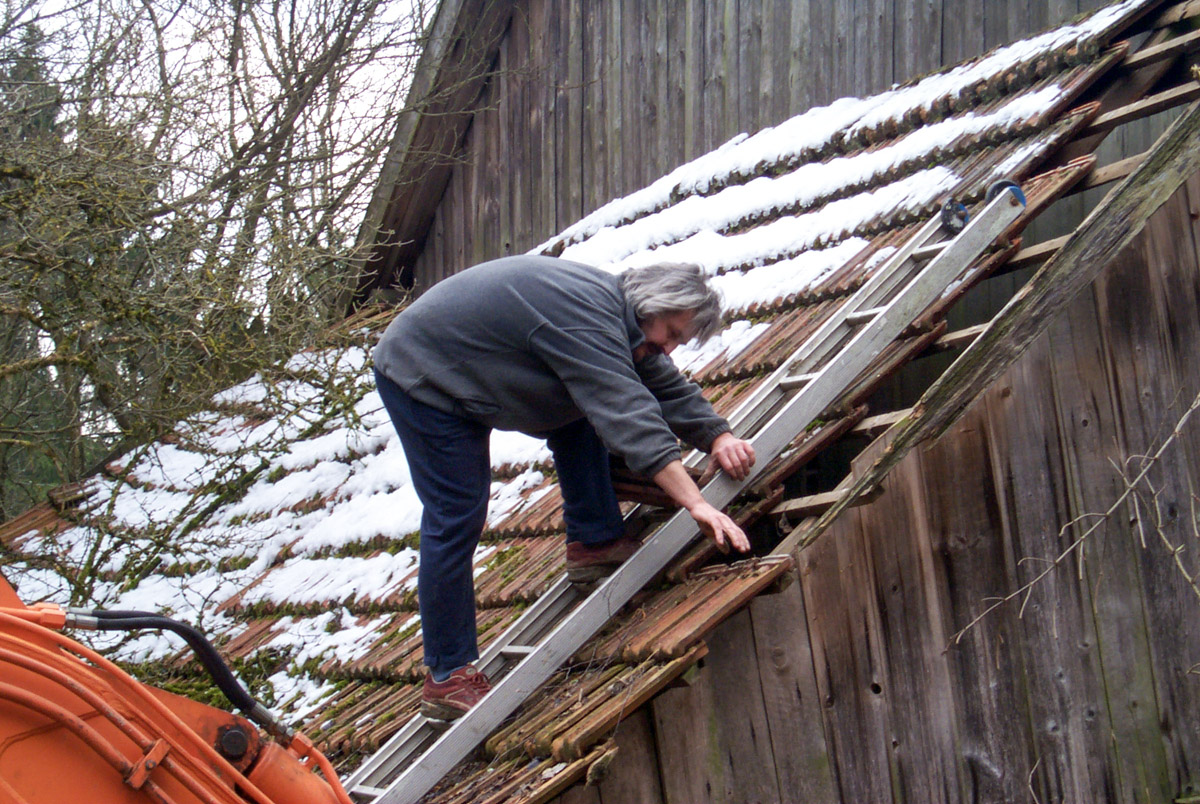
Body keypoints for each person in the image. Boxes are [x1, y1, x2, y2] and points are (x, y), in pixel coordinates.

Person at [372, 255, 756, 720]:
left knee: (589, 404)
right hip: (422, 371)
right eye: (672, 334)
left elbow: (660, 385)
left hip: (481, 364)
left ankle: (595, 541)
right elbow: (627, 409)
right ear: (650, 306)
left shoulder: (620, 320)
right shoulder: (585, 319)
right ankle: (446, 674)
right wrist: (695, 503)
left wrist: (719, 435)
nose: (670, 348)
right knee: (457, 511)